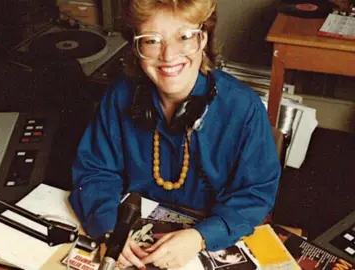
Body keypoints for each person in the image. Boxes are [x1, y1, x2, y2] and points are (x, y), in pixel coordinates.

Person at [69, 0, 281, 269]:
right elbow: (94, 170)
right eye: (152, 40)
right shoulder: (119, 94)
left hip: (202, 243)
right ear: (137, 46)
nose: (168, 55)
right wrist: (109, 229)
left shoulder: (244, 107)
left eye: (184, 37)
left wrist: (199, 238)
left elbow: (255, 193)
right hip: (134, 236)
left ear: (203, 39)